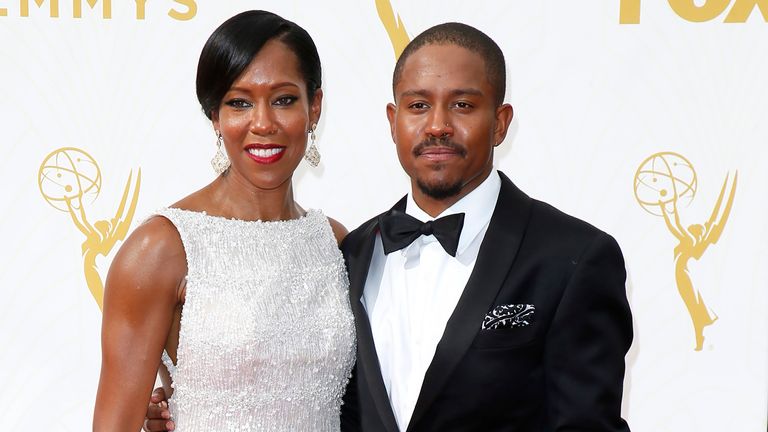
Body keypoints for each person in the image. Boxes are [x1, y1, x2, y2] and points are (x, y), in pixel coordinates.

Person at [144, 22, 633, 432]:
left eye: (462, 105)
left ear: (501, 122)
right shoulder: (350, 253)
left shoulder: (573, 259)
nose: (437, 125)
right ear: (393, 120)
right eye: (419, 106)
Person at [93, 10, 356, 431]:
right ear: (215, 117)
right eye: (239, 103)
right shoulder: (162, 248)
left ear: (315, 107)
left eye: (285, 99)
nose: (263, 123)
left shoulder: (336, 243)